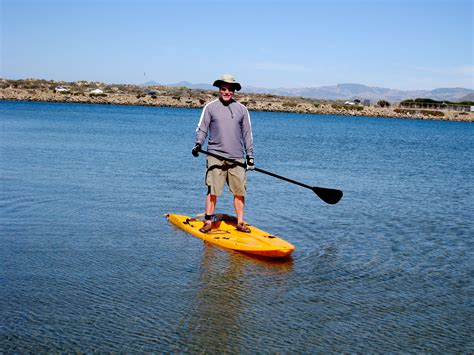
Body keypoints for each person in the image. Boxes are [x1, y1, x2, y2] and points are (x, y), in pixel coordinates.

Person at [192, 74, 254, 233]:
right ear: (219, 90)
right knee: (212, 190)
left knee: (239, 191)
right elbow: (202, 128)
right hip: (215, 156)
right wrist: (198, 144)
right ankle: (208, 221)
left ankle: (240, 223)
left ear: (234, 91)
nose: (226, 92)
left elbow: (247, 134)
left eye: (230, 90)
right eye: (223, 89)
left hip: (237, 157)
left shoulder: (242, 109)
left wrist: (250, 157)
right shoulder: (210, 107)